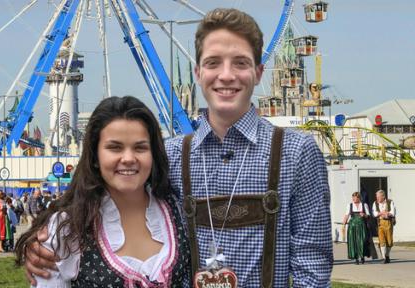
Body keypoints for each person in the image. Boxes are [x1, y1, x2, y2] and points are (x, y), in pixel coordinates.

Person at [23, 8, 333, 287]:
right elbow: (99, 193)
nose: (226, 75)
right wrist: (44, 242)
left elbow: (313, 268)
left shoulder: (296, 152)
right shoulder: (169, 155)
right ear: (198, 73)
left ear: (259, 73)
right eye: (213, 63)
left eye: (240, 63)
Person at [15, 96, 191, 287]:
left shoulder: (176, 209)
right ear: (95, 156)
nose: (129, 158)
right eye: (114, 148)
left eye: (140, 148)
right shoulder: (68, 229)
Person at [343, 192, 370, 264]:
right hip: (352, 226)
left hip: (361, 225)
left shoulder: (364, 205)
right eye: (353, 197)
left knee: (362, 241)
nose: (353, 199)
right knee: (354, 241)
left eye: (355, 197)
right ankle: (356, 258)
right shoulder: (350, 205)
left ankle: (362, 256)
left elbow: (368, 216)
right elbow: (347, 215)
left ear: (359, 198)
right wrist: (344, 223)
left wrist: (364, 215)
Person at [372, 189, 396, 264]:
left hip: (388, 223)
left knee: (389, 241)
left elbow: (393, 212)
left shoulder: (390, 202)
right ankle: (384, 257)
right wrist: (381, 213)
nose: (377, 198)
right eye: (376, 197)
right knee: (382, 240)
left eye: (378, 197)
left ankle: (387, 255)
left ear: (383, 196)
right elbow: (374, 213)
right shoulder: (375, 203)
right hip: (380, 223)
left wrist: (387, 213)